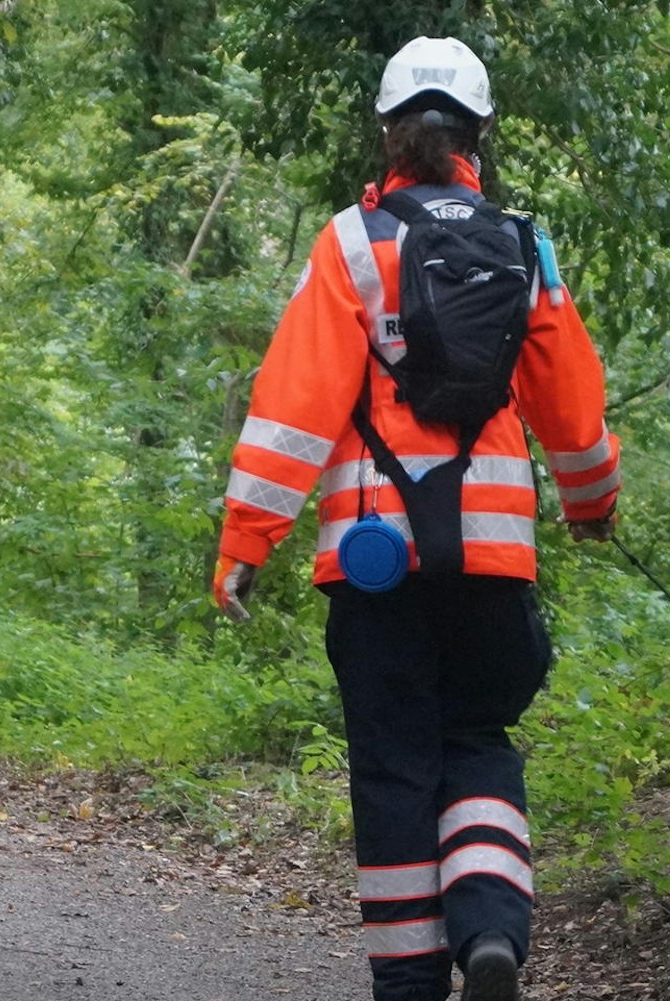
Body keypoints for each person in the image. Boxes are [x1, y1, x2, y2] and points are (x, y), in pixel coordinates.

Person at [211, 36, 619, 1001]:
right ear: (478, 134)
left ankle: (407, 984)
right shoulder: (524, 245)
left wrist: (246, 542)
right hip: (494, 552)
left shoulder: (353, 243)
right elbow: (571, 402)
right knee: (478, 740)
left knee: (394, 767)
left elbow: (294, 408)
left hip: (376, 558)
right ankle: (489, 933)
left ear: (389, 134)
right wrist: (591, 503)